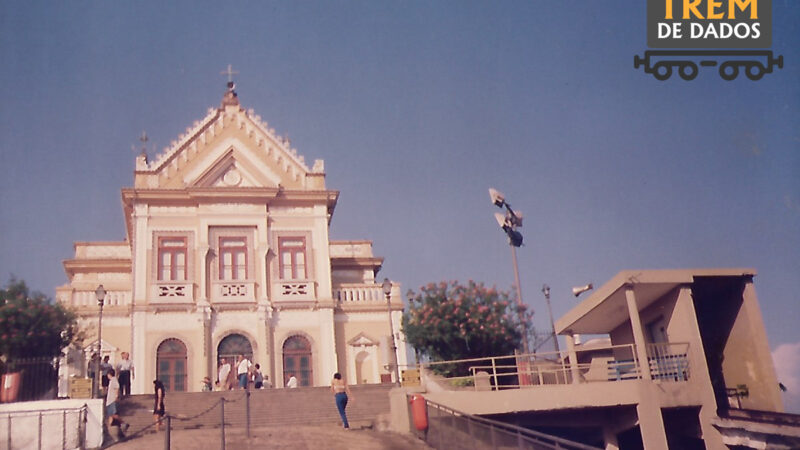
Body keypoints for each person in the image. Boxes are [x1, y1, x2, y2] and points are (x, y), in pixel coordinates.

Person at [106, 369, 130, 436]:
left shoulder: (114, 380)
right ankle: (110, 427)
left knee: (114, 414)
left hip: (112, 400)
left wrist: (116, 396)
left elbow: (117, 387)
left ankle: (123, 423)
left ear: (109, 374)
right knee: (110, 415)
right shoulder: (111, 381)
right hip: (109, 401)